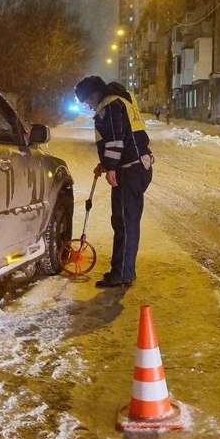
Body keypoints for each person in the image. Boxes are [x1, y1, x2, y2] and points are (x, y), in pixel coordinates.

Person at [73, 76, 154, 288]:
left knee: (124, 223)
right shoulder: (123, 101)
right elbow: (125, 137)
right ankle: (127, 270)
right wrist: (106, 164)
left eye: (87, 102)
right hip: (139, 167)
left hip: (129, 170)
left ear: (94, 94)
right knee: (129, 222)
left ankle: (121, 273)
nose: (89, 107)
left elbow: (116, 141)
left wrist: (110, 167)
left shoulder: (109, 105)